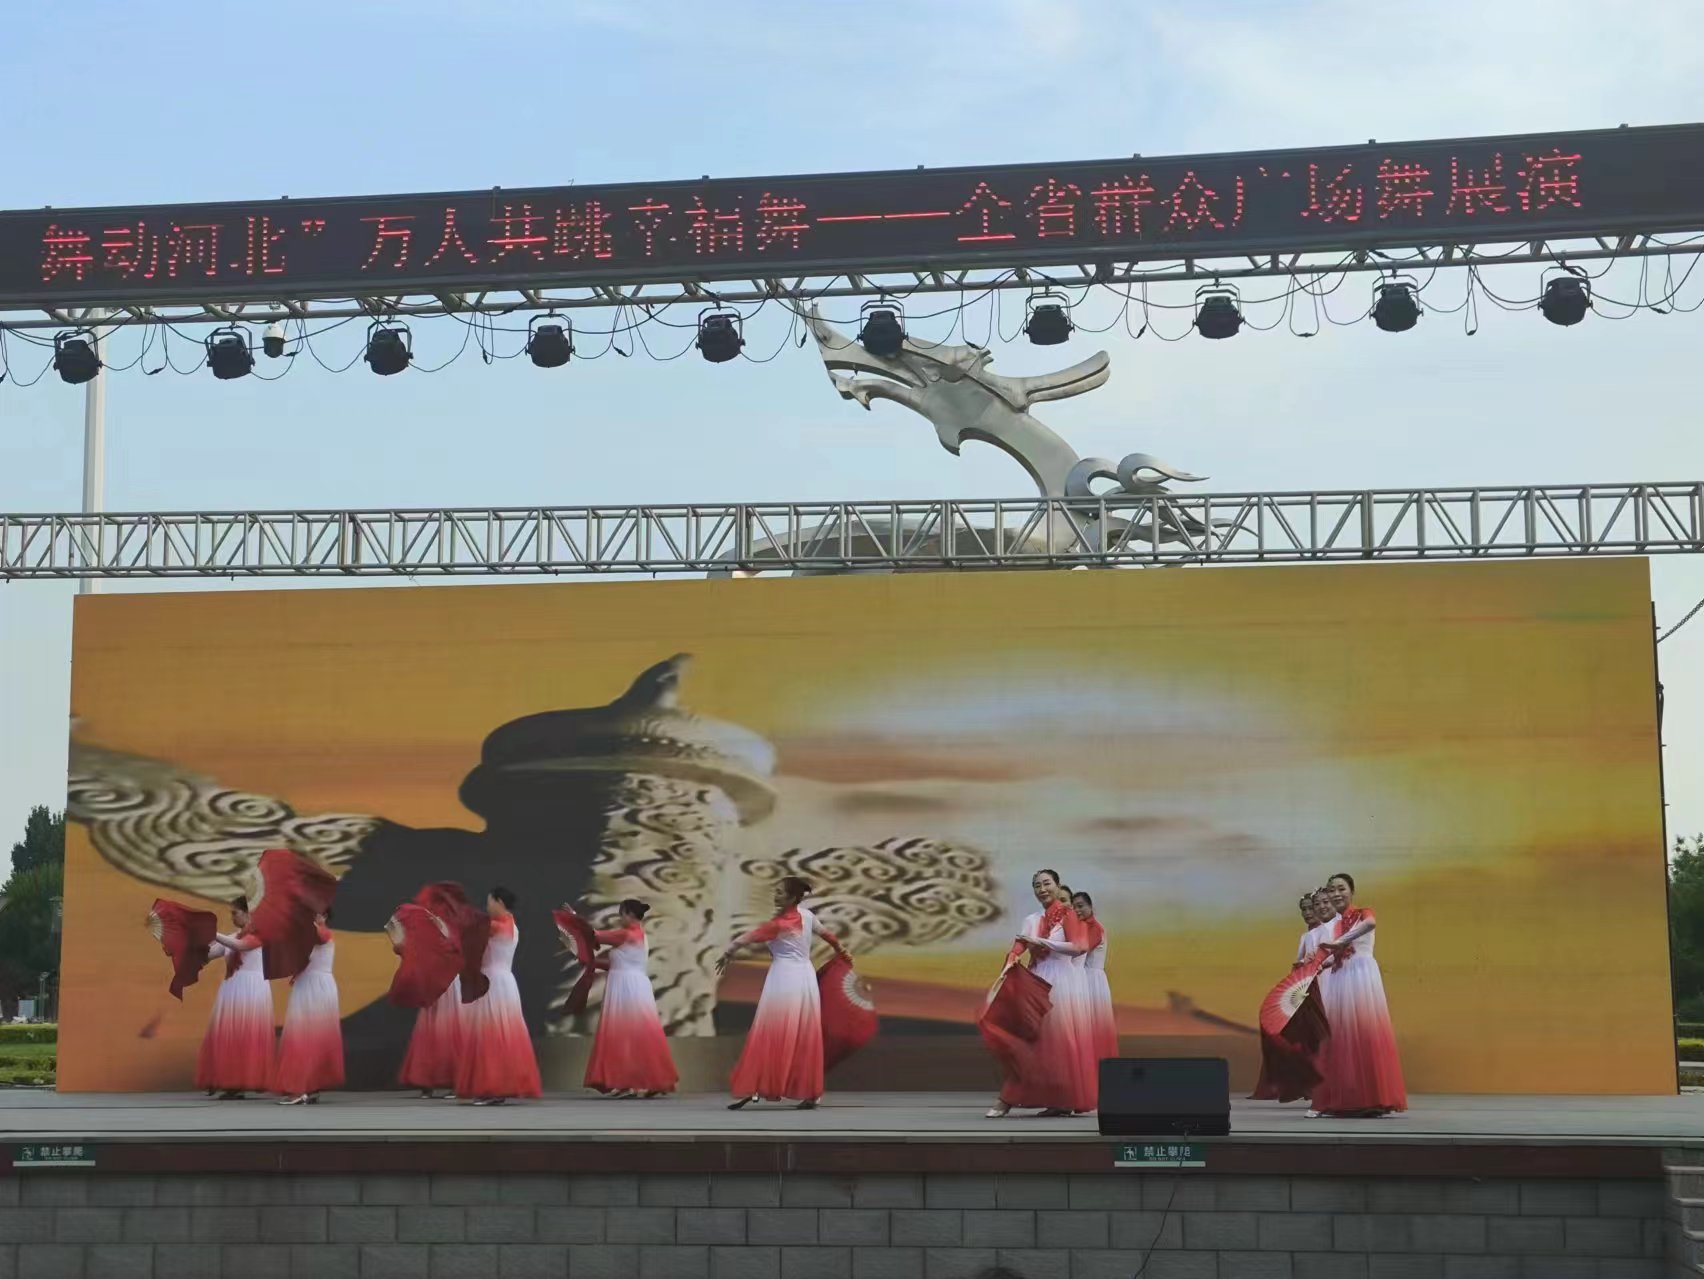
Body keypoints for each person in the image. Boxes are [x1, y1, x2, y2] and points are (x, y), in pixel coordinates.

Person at [717, 875, 848, 1110]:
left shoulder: (779, 925)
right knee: (802, 1033)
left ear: (792, 897)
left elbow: (742, 940)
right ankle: (810, 1093)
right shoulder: (807, 916)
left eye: (780, 892)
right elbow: (829, 935)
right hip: (805, 977)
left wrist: (727, 954)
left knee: (775, 1032)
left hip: (785, 979)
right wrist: (842, 952)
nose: (775, 896)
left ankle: (761, 1085)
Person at [986, 869, 1091, 1119]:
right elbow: (1019, 946)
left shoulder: (1069, 915)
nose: (1042, 889)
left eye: (1046, 884)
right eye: (1037, 885)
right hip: (1036, 979)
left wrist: (1042, 943)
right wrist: (1011, 961)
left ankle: (1022, 1100)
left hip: (1061, 982)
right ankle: (1019, 1098)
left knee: (1055, 1044)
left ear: (1058, 885)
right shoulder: (1031, 919)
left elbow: (1078, 947)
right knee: (1030, 1042)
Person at [1310, 873, 1407, 1117]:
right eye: (1332, 890)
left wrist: (1340, 941)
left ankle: (1374, 1098)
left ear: (1351, 891)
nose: (1336, 894)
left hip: (1361, 976)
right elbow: (1337, 955)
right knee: (1342, 1038)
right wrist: (1317, 966)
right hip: (1341, 977)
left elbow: (1369, 925)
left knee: (1365, 1034)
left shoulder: (1364, 912)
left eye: (1341, 889)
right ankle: (1349, 1099)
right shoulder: (1336, 924)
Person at [583, 898, 679, 1099]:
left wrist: (572, 921)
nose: (620, 917)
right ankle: (651, 1080)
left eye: (621, 913)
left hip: (625, 988)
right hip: (635, 985)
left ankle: (629, 1083)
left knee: (625, 1035)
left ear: (629, 914)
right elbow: (616, 964)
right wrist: (591, 962)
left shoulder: (624, 934)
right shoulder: (641, 936)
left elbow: (591, 936)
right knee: (641, 1035)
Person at [455, 887, 542, 1105]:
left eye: (489, 902)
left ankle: (493, 1088)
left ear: (500, 902)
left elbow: (469, 927)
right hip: (502, 983)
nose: (487, 907)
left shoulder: (497, 926)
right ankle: (495, 1086)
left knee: (492, 1036)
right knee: (500, 1036)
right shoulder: (509, 924)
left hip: (493, 983)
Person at [195, 898, 274, 1100]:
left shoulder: (259, 935)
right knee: (227, 1034)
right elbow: (209, 954)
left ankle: (237, 1083)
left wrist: (212, 933)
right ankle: (222, 1079)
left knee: (244, 1035)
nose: (232, 917)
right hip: (232, 988)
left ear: (249, 914)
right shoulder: (231, 937)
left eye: (235, 913)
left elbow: (240, 946)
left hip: (251, 990)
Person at [275, 910, 344, 1105]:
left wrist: (299, 917)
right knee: (306, 1036)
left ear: (324, 917)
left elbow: (316, 934)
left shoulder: (324, 933)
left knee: (305, 1037)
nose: (313, 917)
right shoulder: (307, 939)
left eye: (316, 914)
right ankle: (310, 1087)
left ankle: (299, 1089)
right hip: (307, 986)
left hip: (317, 988)